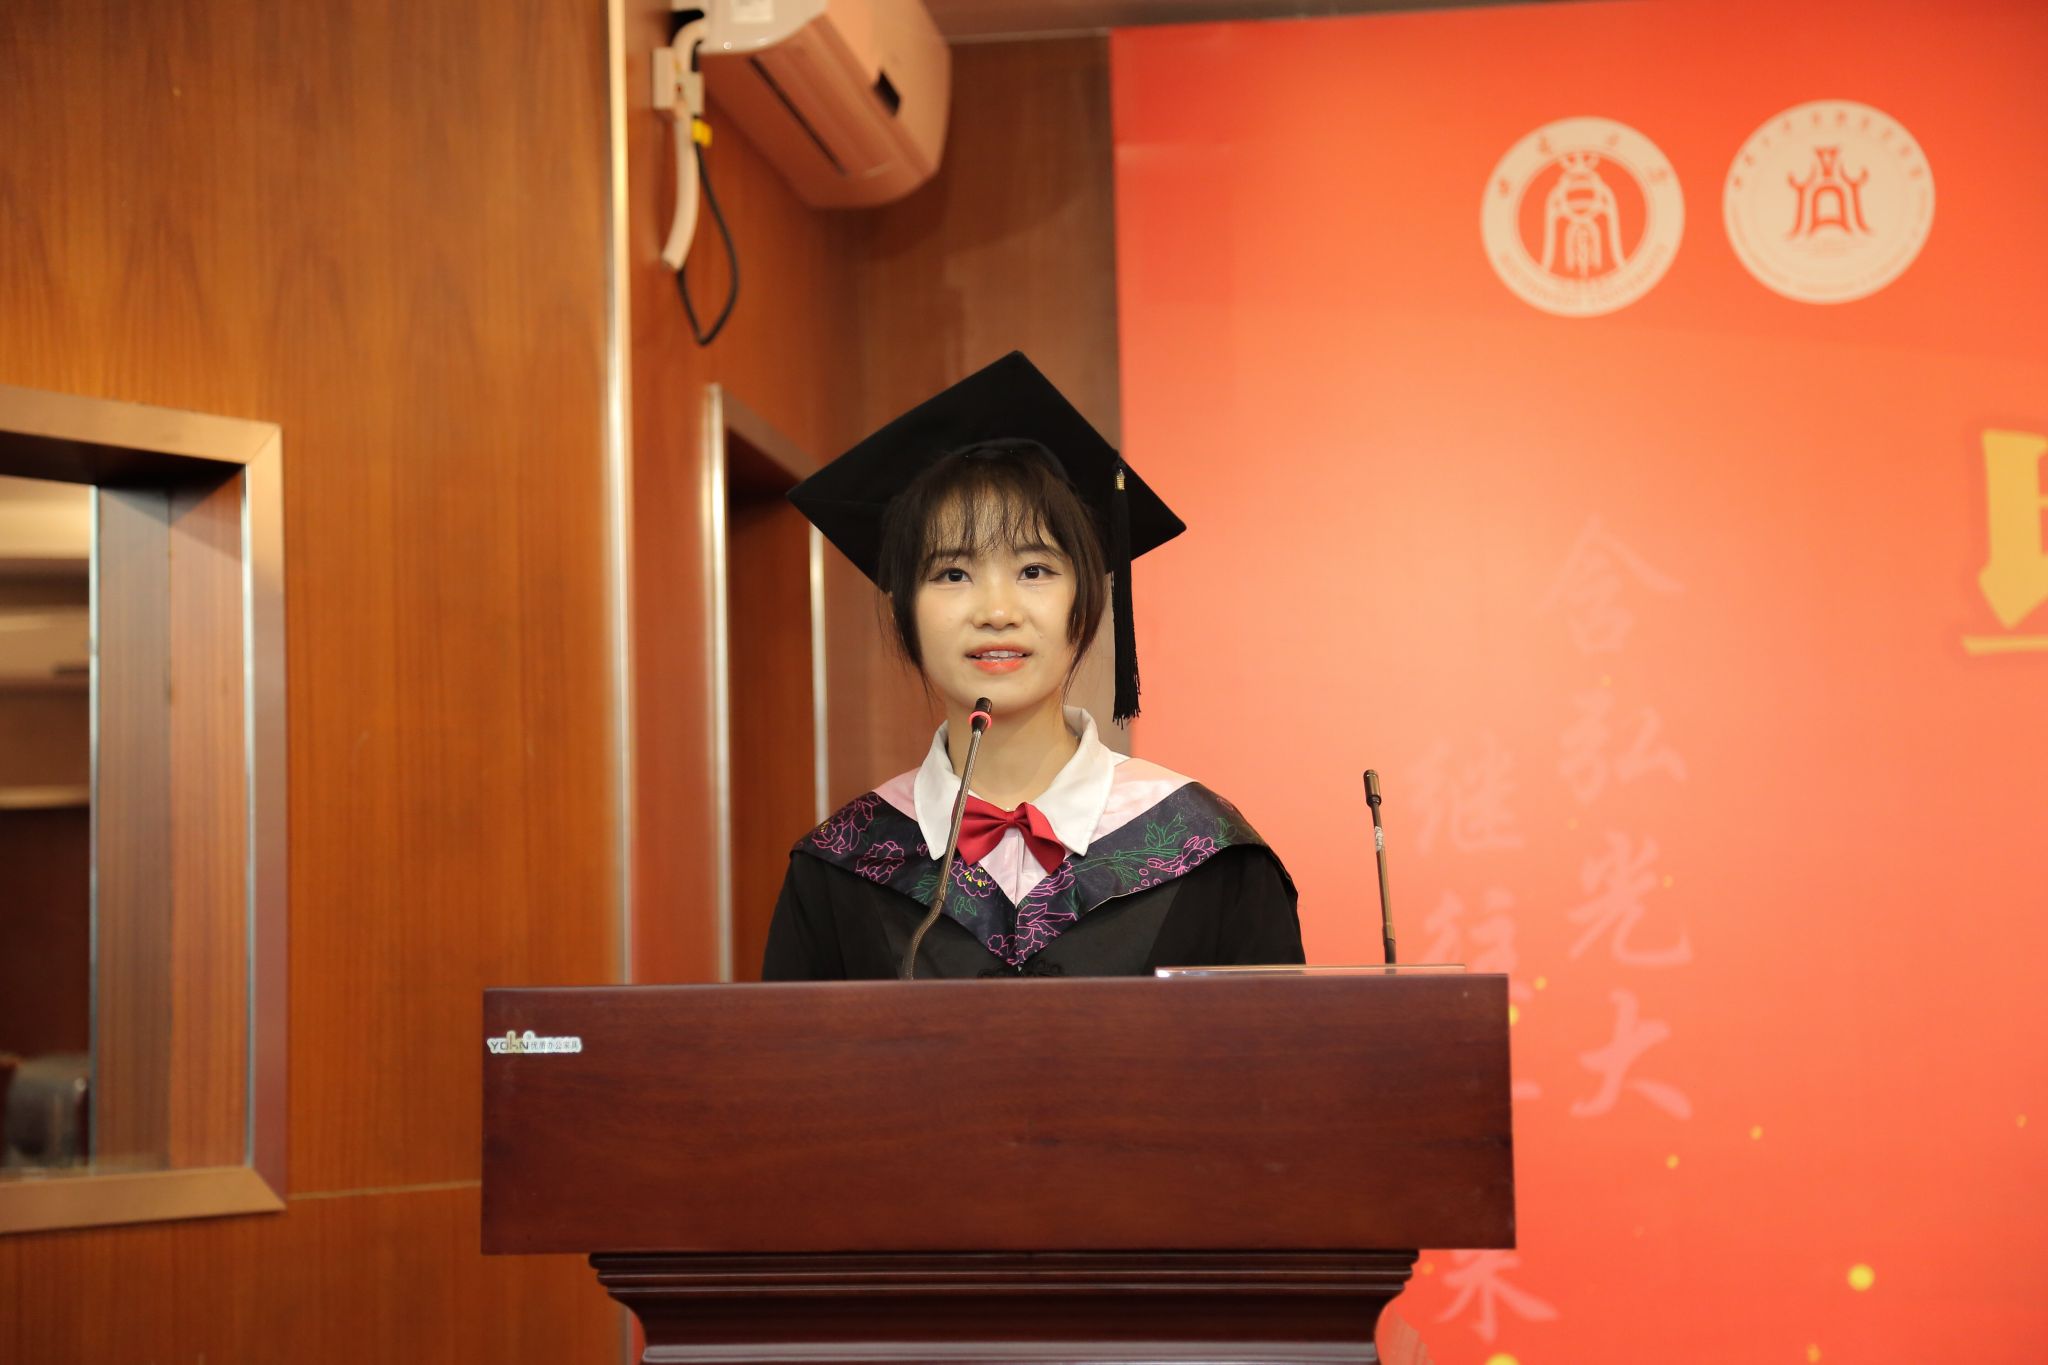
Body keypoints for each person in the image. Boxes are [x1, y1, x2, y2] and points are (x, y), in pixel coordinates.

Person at [764, 352, 1302, 979]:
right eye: (953, 574)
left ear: (1088, 596)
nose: (997, 612)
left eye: (1035, 570)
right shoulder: (842, 867)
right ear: (901, 606)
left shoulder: (1210, 854)